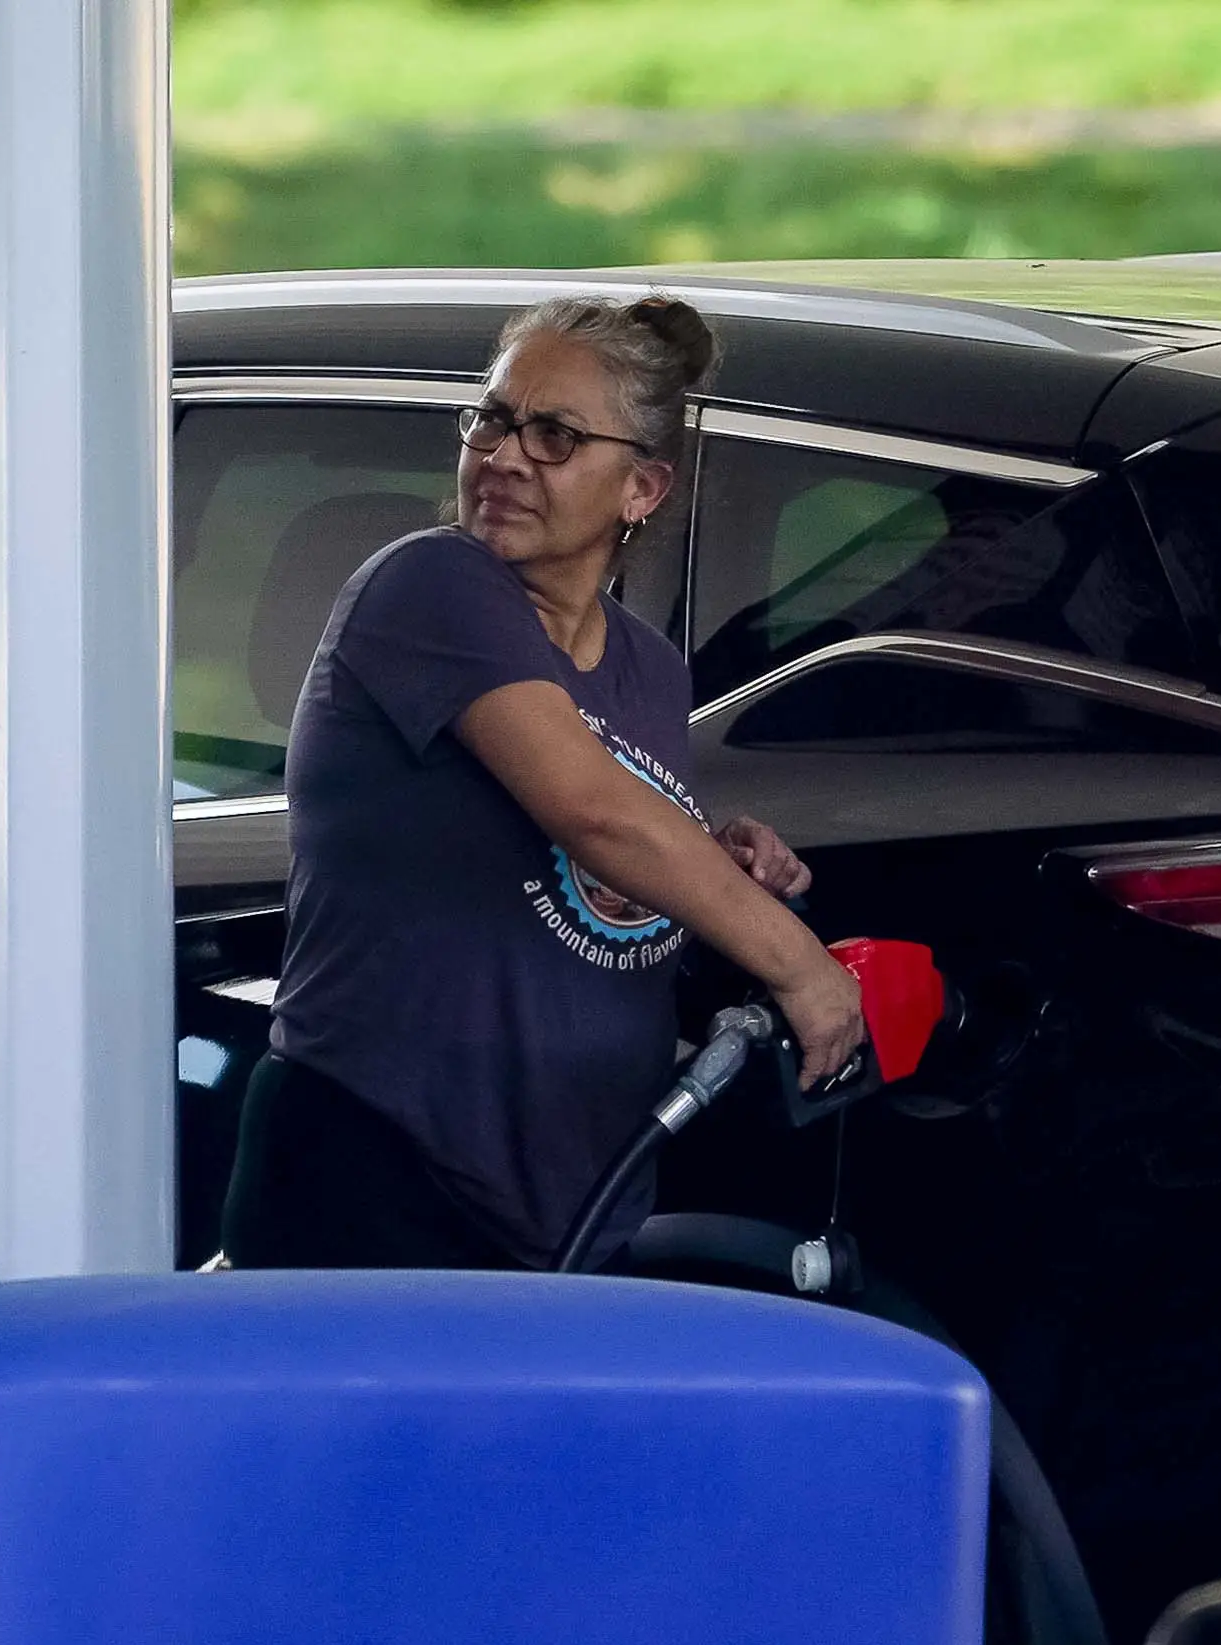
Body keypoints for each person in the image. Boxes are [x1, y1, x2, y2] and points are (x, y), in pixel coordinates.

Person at [218, 293, 864, 1273]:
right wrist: (800, 966)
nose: (506, 457)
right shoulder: (432, 585)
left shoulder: (648, 669)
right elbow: (595, 814)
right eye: (493, 420)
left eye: (554, 436)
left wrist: (716, 864)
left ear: (641, 487)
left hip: (567, 1207)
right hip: (380, 1172)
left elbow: (605, 873)